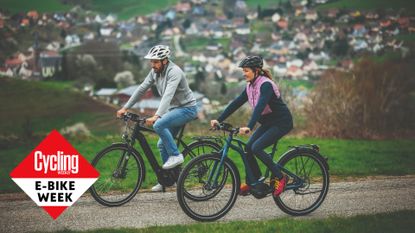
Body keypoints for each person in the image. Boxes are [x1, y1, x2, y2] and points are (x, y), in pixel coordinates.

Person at [117, 45, 197, 192]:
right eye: (151, 62)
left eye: (155, 62)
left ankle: (176, 156)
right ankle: (167, 179)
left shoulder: (175, 72)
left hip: (187, 109)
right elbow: (142, 88)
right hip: (174, 109)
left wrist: (157, 116)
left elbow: (168, 94)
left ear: (165, 61)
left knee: (158, 125)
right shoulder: (155, 72)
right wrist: (125, 107)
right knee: (161, 144)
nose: (152, 65)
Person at [210, 55, 293, 197]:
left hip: (281, 122)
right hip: (268, 123)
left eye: (246, 70)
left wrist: (249, 126)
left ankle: (280, 177)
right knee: (248, 148)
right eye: (243, 70)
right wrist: (219, 119)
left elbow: (260, 107)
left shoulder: (265, 84)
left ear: (256, 70)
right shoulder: (250, 86)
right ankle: (255, 182)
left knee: (256, 147)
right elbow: (236, 103)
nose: (244, 73)